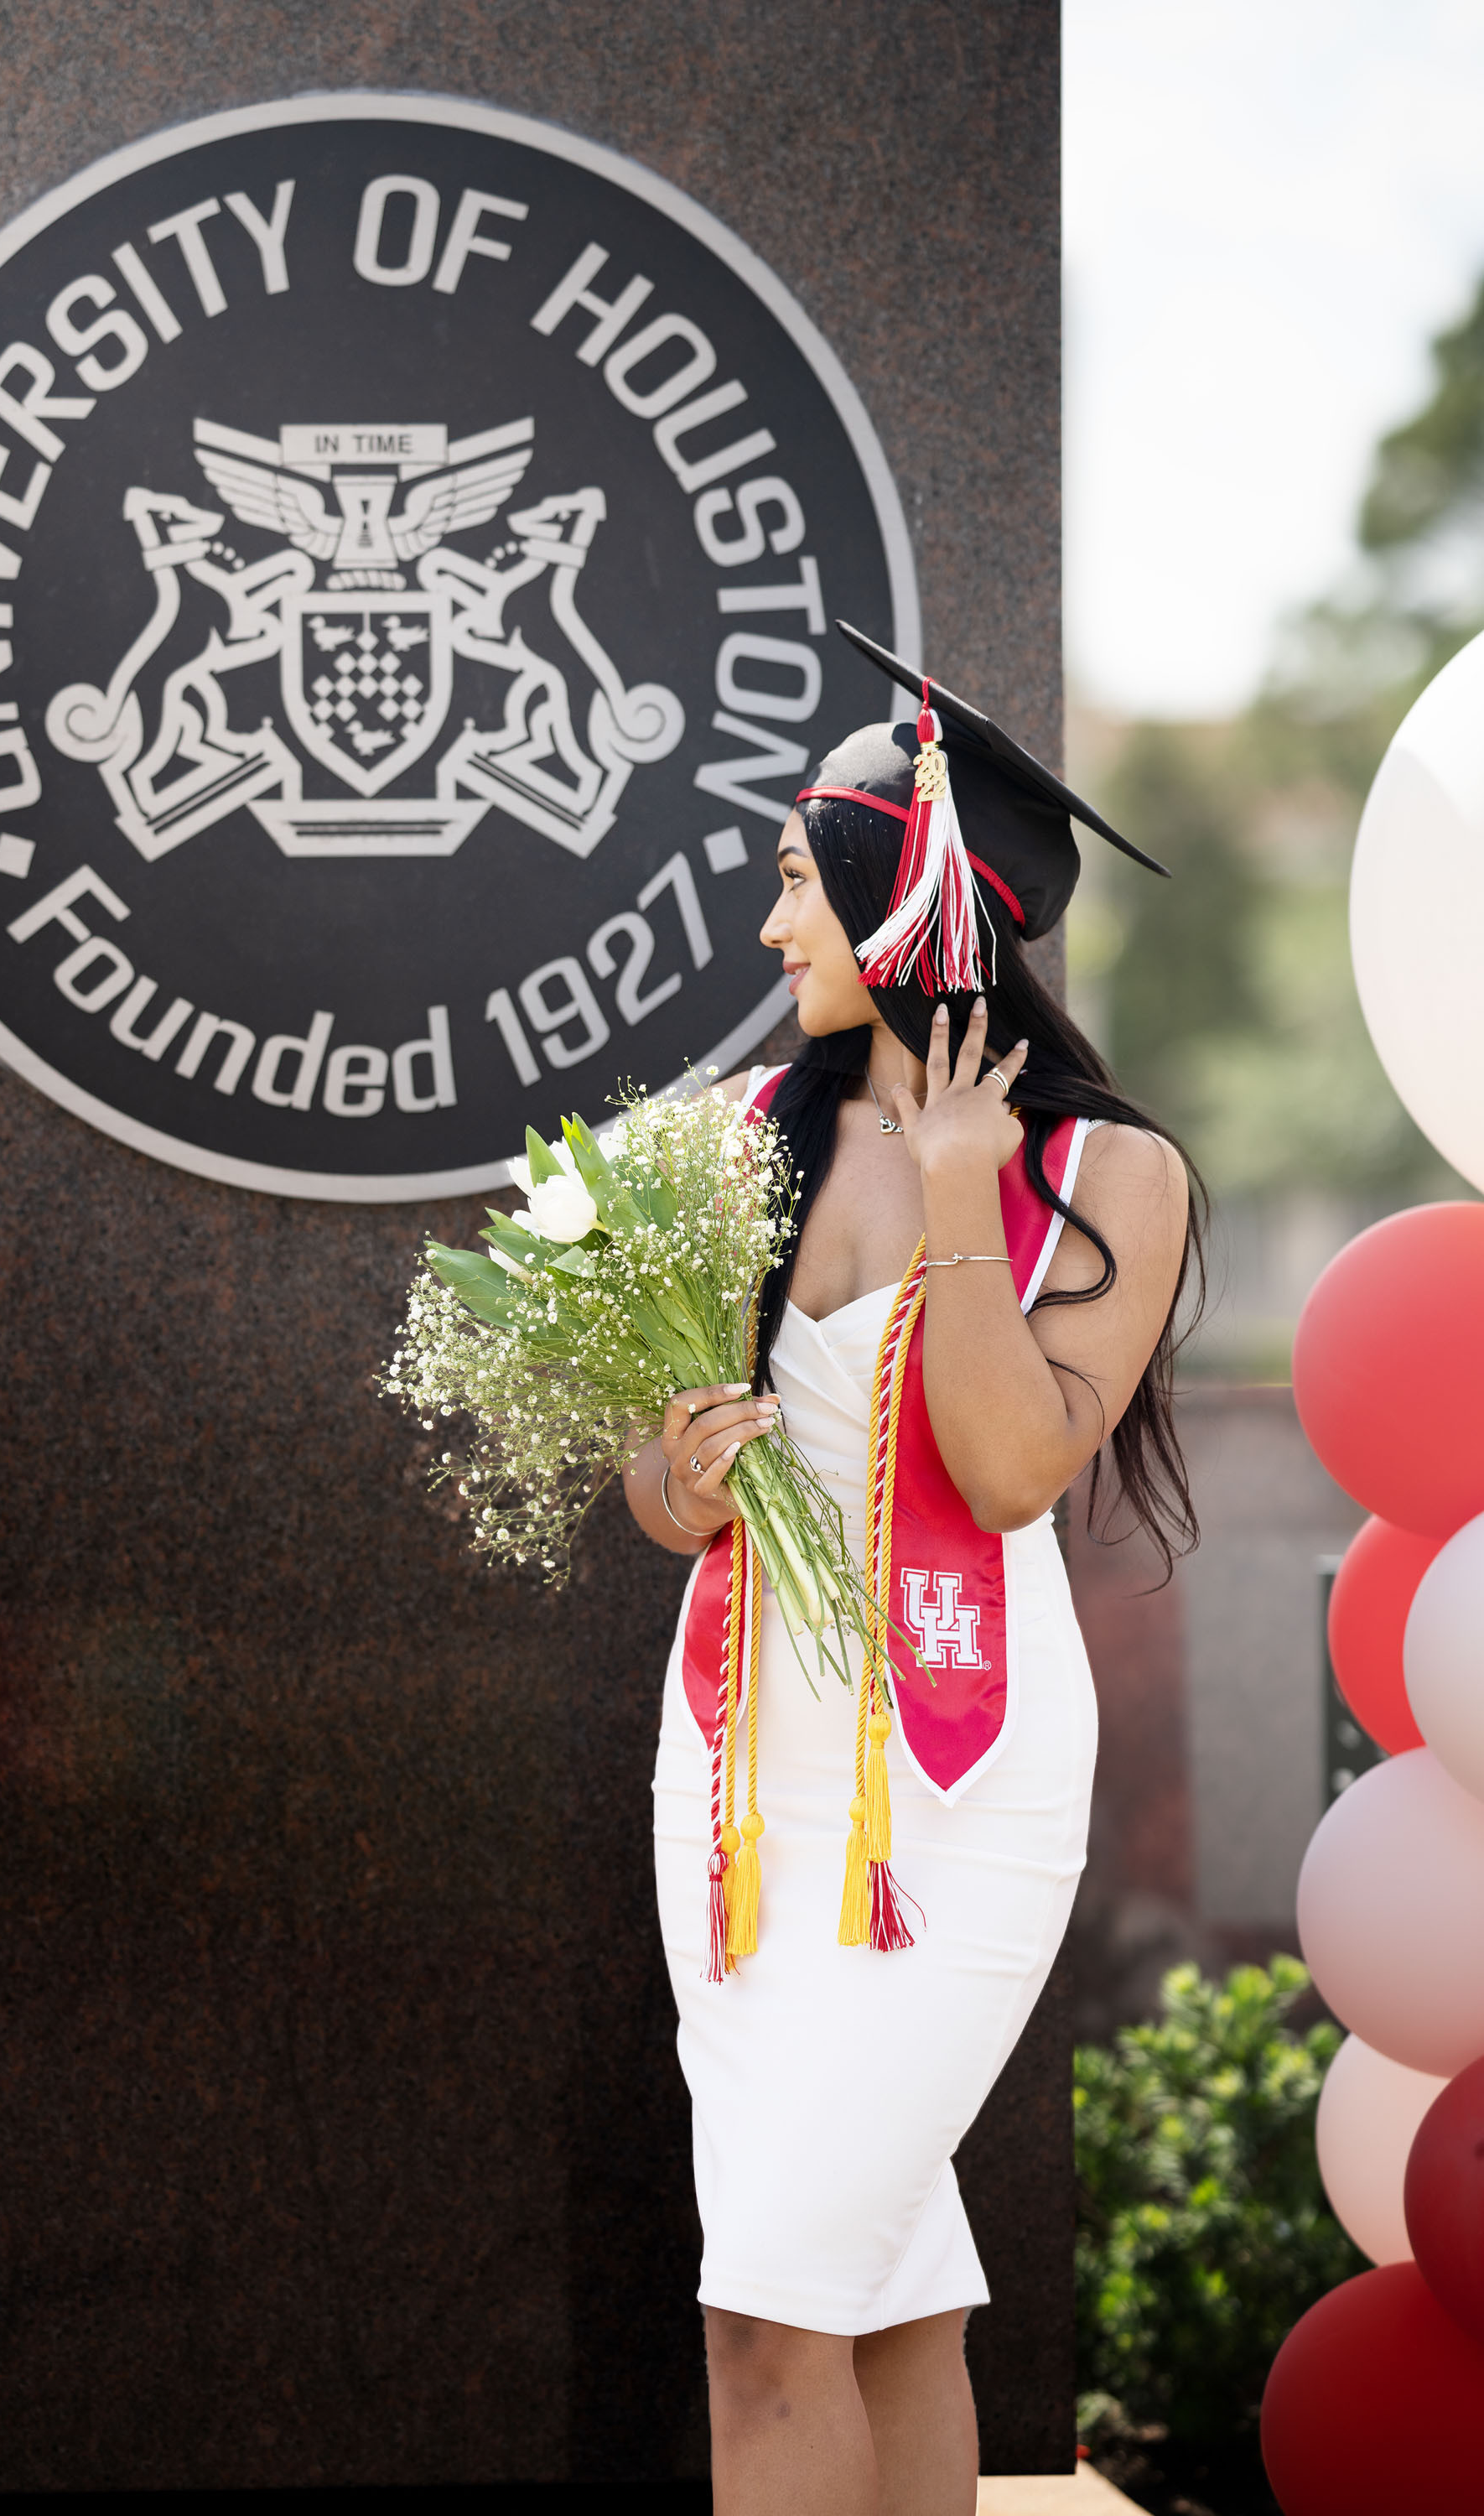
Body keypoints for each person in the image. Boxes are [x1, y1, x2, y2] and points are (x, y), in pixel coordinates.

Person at [623, 628, 1201, 2516]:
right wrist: (680, 1481)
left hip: (951, 1790)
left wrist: (962, 1192)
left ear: (908, 893)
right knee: (880, 2308)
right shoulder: (739, 1142)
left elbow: (1017, 1465)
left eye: (797, 880)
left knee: (759, 2320)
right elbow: (654, 1480)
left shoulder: (1108, 1176)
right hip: (735, 1777)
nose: (770, 928)